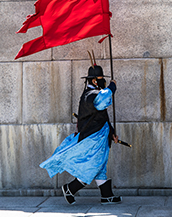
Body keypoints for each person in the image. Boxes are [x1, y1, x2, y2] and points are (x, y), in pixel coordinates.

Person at [40, 52, 122, 205]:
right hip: (93, 138)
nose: (103, 81)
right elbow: (104, 99)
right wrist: (112, 86)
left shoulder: (94, 93)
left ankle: (106, 195)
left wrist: (112, 134)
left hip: (101, 137)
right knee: (93, 165)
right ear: (94, 81)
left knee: (100, 165)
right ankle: (71, 188)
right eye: (101, 79)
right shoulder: (90, 95)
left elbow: (103, 117)